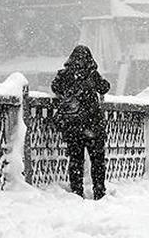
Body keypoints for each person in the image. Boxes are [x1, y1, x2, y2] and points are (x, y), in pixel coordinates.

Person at [51, 44, 111, 199]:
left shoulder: (66, 74)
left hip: (73, 126)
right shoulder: (92, 74)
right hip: (93, 125)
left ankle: (77, 192)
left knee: (76, 161)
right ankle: (99, 191)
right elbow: (105, 88)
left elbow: (55, 87)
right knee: (97, 161)